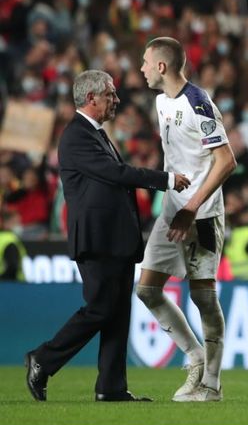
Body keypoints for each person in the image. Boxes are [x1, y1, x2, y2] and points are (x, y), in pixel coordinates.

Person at [25, 70, 190, 402]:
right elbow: (116, 174)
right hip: (97, 239)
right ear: (91, 98)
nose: (116, 100)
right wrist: (166, 179)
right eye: (111, 95)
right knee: (100, 308)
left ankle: (111, 387)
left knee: (117, 313)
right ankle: (43, 359)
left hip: (115, 239)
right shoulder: (76, 136)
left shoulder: (95, 133)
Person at [136, 37, 237, 402]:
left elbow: (226, 161)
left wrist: (192, 206)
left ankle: (211, 382)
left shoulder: (199, 103)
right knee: (146, 289)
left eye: (146, 62)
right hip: (172, 209)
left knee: (203, 298)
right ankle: (194, 355)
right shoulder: (161, 102)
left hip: (203, 213)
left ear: (161, 66)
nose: (142, 68)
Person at [0, 210, 26, 281]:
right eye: (16, 222)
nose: (19, 225)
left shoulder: (2, 238)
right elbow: (12, 267)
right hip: (11, 286)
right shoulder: (10, 240)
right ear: (7, 223)